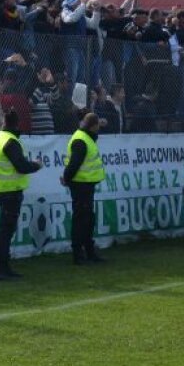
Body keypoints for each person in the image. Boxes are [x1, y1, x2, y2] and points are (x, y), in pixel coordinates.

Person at [0, 109, 42, 280]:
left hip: (1, 189)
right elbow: (21, 166)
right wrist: (36, 165)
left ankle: (3, 267)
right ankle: (0, 269)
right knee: (6, 231)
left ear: (4, 121)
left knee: (5, 230)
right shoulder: (11, 141)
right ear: (17, 123)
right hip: (11, 190)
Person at [62, 112, 106, 265]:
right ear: (93, 126)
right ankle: (78, 253)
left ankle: (88, 251)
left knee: (87, 219)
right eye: (98, 126)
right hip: (81, 185)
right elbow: (74, 163)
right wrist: (66, 178)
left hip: (86, 184)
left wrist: (67, 178)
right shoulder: (81, 140)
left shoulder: (84, 138)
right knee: (81, 219)